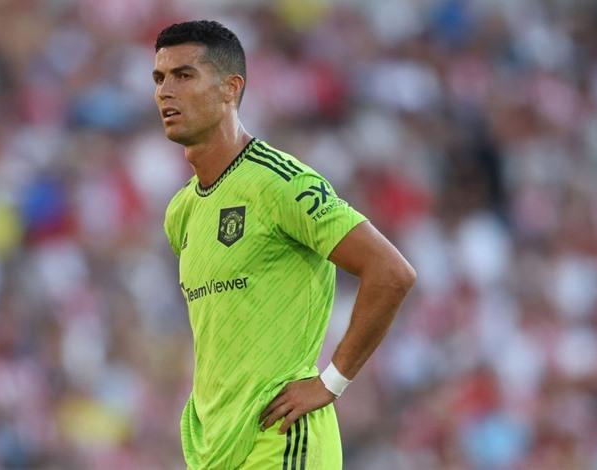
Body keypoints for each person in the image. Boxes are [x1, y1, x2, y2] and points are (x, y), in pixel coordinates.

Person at [154, 20, 416, 469]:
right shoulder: (181, 211)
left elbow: (391, 272)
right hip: (217, 448)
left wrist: (331, 382)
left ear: (230, 88)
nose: (165, 92)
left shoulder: (281, 183)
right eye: (159, 78)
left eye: (184, 75)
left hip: (282, 440)